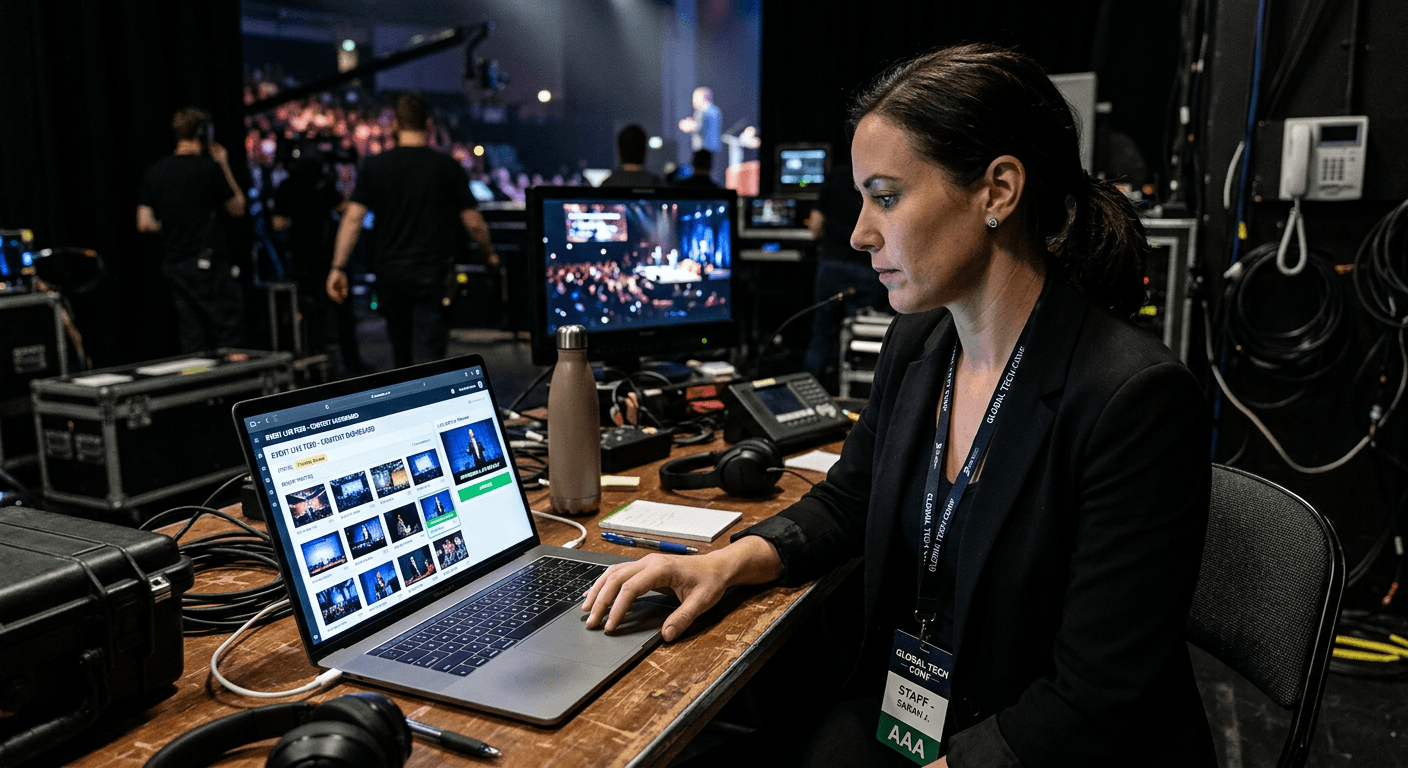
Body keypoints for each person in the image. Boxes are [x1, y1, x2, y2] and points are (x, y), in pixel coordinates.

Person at [583, 43, 1212, 767]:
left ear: (998, 191)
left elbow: (1096, 703)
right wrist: (727, 563)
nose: (859, 232)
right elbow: (849, 502)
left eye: (885, 197)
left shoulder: (1135, 400)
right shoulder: (919, 344)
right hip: (925, 710)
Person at [326, 93, 500, 369]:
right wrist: (489, 255)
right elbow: (474, 222)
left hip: (390, 274)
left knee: (400, 354)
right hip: (432, 275)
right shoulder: (447, 167)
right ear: (428, 124)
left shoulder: (374, 166)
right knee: (429, 358)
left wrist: (338, 267)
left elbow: (352, 219)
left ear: (395, 124)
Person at [137, 107, 247, 352]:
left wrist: (173, 226)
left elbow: (144, 223)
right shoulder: (209, 168)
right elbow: (237, 208)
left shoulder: (155, 172)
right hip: (208, 265)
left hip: (175, 266)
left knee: (192, 338)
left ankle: (201, 385)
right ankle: (239, 390)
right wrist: (224, 165)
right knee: (229, 333)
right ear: (202, 133)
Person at [271, 147, 370, 375]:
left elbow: (277, 223)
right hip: (329, 255)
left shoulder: (287, 186)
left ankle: (317, 363)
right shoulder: (324, 185)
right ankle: (351, 361)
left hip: (303, 257)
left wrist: (298, 223)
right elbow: (344, 209)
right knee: (342, 311)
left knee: (312, 311)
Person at [801, 162, 889, 388]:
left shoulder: (835, 176)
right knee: (860, 338)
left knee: (821, 334)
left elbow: (815, 226)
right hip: (865, 268)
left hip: (831, 266)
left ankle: (808, 394)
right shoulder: (880, 179)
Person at [678, 86, 722, 183]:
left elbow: (699, 126)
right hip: (705, 150)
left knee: (706, 178)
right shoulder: (711, 111)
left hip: (706, 150)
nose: (693, 101)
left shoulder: (708, 111)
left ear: (703, 97)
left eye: (695, 98)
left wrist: (688, 125)